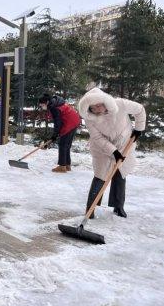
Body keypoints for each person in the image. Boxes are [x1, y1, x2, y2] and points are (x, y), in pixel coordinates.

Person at [78, 87, 146, 218]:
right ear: (89, 109)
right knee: (100, 175)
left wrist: (139, 129)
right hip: (102, 149)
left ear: (105, 101)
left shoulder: (120, 104)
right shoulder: (89, 118)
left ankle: (118, 206)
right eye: (93, 108)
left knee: (120, 174)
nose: (97, 109)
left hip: (124, 144)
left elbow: (140, 110)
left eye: (99, 105)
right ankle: (90, 209)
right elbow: (97, 137)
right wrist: (112, 151)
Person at [38, 93, 81, 173]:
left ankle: (62, 166)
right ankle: (67, 165)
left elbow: (58, 123)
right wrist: (55, 135)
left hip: (69, 123)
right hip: (75, 121)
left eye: (42, 105)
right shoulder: (56, 102)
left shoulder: (54, 108)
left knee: (62, 144)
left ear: (46, 102)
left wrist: (54, 136)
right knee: (66, 145)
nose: (41, 107)